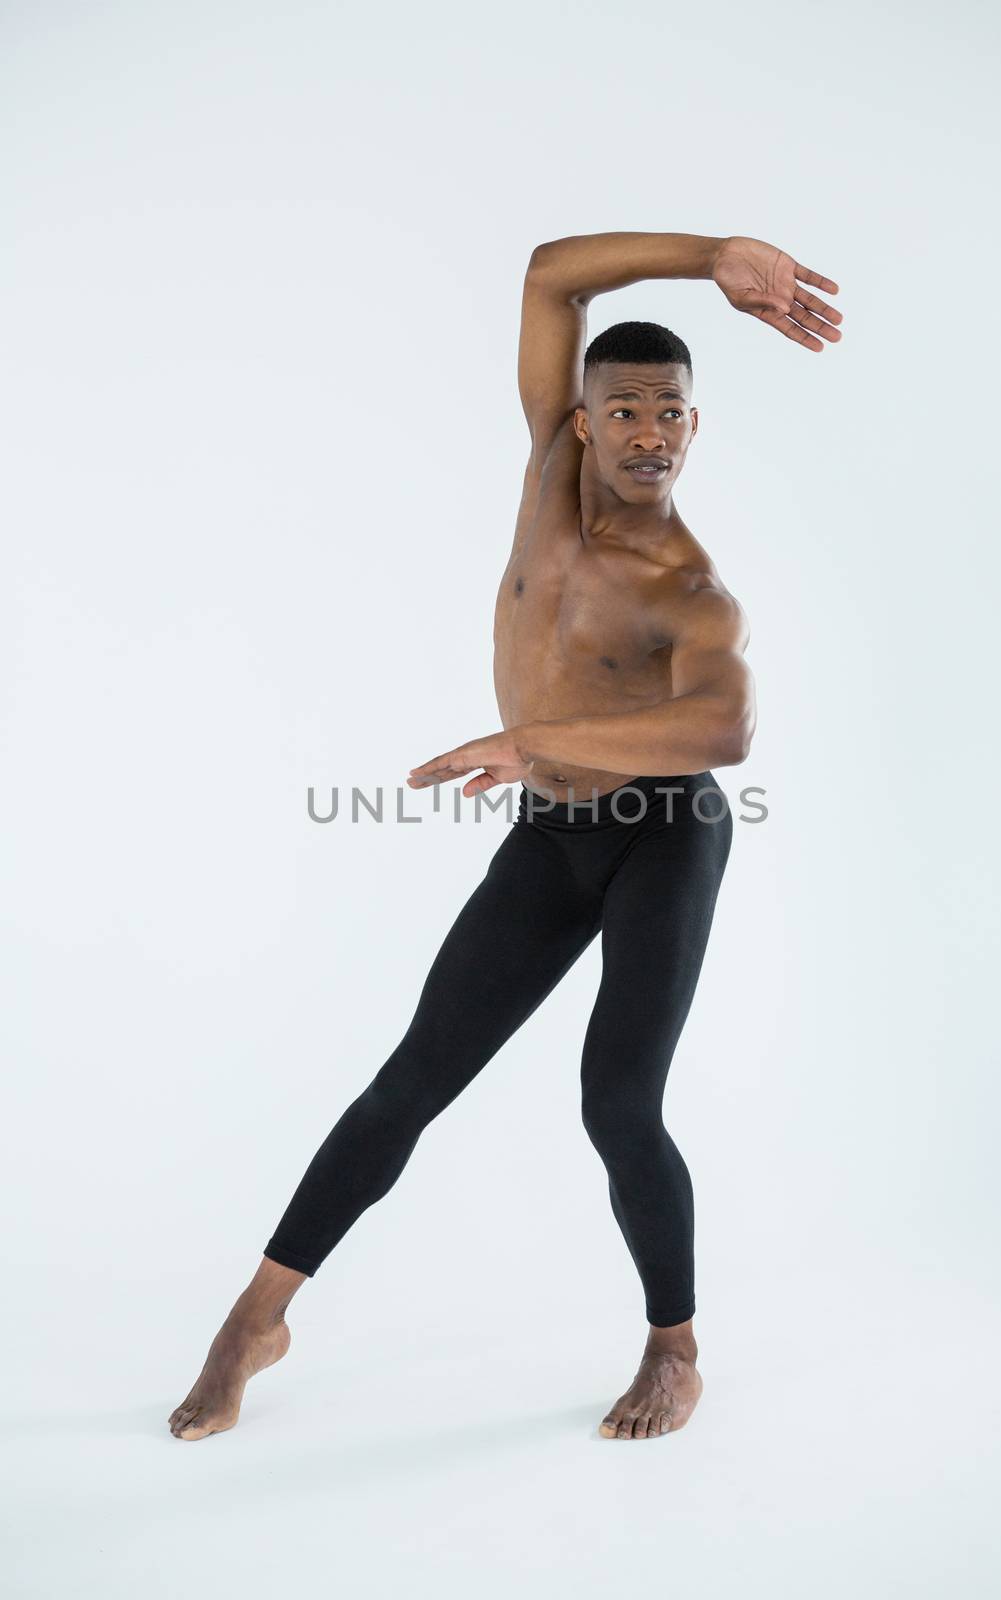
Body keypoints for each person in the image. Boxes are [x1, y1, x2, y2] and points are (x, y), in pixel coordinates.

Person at [168, 231, 843, 1442]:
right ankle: (255, 1319)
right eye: (625, 408)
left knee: (617, 1103)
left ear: (697, 429)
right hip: (549, 834)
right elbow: (549, 275)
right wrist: (712, 256)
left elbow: (724, 727)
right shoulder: (545, 469)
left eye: (671, 414)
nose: (649, 431)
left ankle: (672, 1347)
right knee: (411, 1078)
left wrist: (532, 739)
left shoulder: (689, 584)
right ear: (580, 420)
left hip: (662, 832)